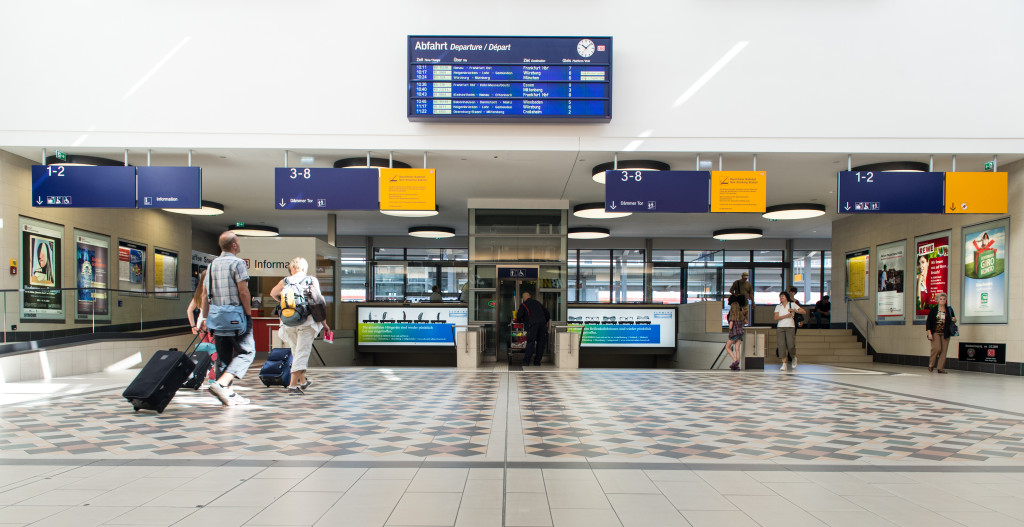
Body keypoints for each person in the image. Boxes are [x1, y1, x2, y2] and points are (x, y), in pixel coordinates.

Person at [200, 232, 255, 406]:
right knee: (247, 352)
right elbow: (243, 291)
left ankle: (228, 395)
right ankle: (221, 384)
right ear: (233, 245)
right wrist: (248, 314)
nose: (239, 244)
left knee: (223, 357)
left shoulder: (211, 265)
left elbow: (204, 293)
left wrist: (205, 317)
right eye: (238, 242)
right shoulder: (238, 263)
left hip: (216, 318)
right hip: (235, 316)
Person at [271, 257, 330, 395]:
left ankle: (303, 382)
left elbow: (273, 293)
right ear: (304, 268)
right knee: (302, 353)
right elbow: (318, 302)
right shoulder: (311, 280)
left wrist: (285, 303)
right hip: (306, 321)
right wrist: (324, 323)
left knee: (296, 351)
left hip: (288, 322)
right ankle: (292, 386)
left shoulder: (285, 281)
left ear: (291, 269)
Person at [515, 292, 550, 366]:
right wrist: (544, 321)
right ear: (530, 296)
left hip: (532, 325)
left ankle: (526, 361)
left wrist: (521, 321)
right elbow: (547, 314)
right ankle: (537, 362)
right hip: (542, 325)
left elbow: (519, 316)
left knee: (530, 342)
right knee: (541, 343)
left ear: (523, 298)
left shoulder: (524, 304)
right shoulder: (538, 303)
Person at [926, 292, 957, 374]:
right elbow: (928, 322)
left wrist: (954, 319)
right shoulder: (933, 310)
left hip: (945, 333)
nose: (942, 301)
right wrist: (929, 333)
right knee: (937, 348)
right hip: (935, 332)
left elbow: (953, 319)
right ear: (937, 300)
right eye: (941, 299)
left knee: (944, 351)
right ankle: (931, 364)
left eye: (944, 299)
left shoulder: (949, 310)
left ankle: (940, 368)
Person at [774, 291, 805, 371]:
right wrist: (786, 316)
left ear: (787, 297)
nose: (781, 297)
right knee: (781, 345)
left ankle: (793, 357)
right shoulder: (778, 306)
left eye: (783, 296)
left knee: (791, 345)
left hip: (790, 327)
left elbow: (803, 311)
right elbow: (776, 318)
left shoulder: (792, 304)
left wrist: (795, 311)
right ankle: (784, 363)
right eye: (780, 296)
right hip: (780, 327)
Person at [725, 292, 748, 370]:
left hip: (734, 334)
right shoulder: (741, 315)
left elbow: (730, 326)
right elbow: (746, 322)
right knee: (737, 349)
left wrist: (730, 327)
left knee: (727, 347)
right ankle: (737, 366)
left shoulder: (732, 316)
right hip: (740, 333)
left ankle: (735, 361)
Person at [186, 269, 208, 336]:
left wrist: (193, 326)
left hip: (200, 325)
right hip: (211, 325)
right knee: (213, 346)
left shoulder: (198, 293)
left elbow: (189, 310)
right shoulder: (211, 292)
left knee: (205, 346)